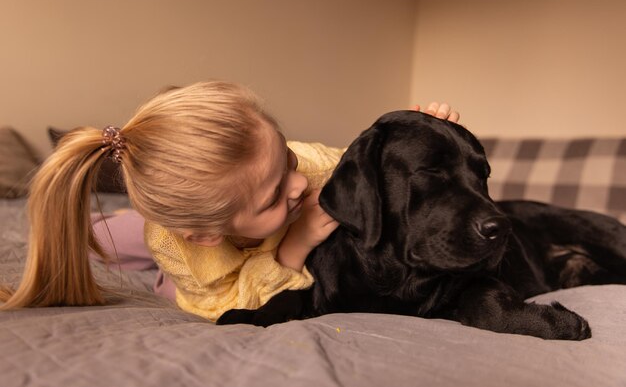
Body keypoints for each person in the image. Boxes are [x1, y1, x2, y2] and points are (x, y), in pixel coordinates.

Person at [0, 81, 459, 321]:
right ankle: (124, 221)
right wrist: (293, 246)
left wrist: (415, 134)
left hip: (209, 230)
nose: (297, 187)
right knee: (115, 242)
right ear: (203, 232)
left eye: (288, 161)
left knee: (129, 228)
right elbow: (224, 305)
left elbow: (368, 170)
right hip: (195, 263)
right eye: (274, 195)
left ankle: (128, 217)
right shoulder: (186, 248)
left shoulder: (306, 168)